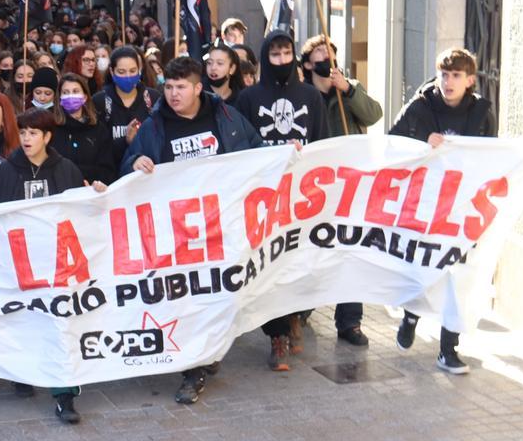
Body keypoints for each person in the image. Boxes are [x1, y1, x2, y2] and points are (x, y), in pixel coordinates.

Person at [121, 56, 263, 403]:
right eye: (168, 87)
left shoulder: (226, 118)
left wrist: (285, 156)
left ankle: (207, 353)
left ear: (199, 88)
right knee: (187, 300)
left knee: (219, 298)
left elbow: (256, 153)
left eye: (181, 87)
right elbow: (125, 171)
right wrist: (134, 161)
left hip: (223, 228)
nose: (172, 94)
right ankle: (195, 369)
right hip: (178, 234)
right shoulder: (155, 127)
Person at [0, 108, 106, 423]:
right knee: (22, 321)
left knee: (60, 326)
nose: (26, 138)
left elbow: (81, 208)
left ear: (47, 137)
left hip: (57, 264)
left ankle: (64, 396)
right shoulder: (5, 172)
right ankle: (23, 371)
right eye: (22, 132)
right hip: (18, 264)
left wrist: (97, 195)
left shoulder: (65, 169)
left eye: (33, 133)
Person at [390, 48, 496, 375]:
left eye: (456, 76)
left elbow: (493, 155)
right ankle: (411, 314)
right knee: (425, 267)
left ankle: (448, 349)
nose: (448, 82)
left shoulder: (481, 113)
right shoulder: (421, 107)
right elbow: (392, 143)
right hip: (425, 206)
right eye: (444, 75)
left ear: (470, 80)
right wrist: (423, 142)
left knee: (459, 277)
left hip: (463, 208)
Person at [234, 30, 329, 372]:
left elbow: (321, 143)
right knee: (268, 264)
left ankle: (296, 317)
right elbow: (241, 146)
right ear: (265, 58)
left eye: (287, 53)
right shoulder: (248, 99)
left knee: (299, 262)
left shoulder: (311, 97)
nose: (281, 60)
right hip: (263, 199)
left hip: (301, 196)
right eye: (274, 55)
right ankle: (277, 334)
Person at [299, 34, 386, 347]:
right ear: (308, 64)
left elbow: (373, 114)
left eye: (331, 54)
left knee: (351, 253)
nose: (327, 59)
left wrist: (347, 91)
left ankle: (350, 322)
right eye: (320, 54)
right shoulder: (303, 97)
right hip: (313, 189)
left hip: (349, 187)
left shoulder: (349, 90)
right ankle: (301, 309)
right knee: (310, 252)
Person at [93, 45, 161, 167]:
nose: (128, 76)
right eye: (121, 72)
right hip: (113, 175)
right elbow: (98, 148)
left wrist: (139, 141)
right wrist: (126, 141)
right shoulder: (100, 102)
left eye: (133, 71)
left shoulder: (152, 98)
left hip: (149, 171)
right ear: (112, 71)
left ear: (140, 70)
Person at [52, 73, 116, 185]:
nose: (70, 96)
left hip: (92, 192)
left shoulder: (98, 129)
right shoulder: (52, 129)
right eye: (65, 92)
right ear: (60, 98)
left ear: (85, 97)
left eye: (75, 91)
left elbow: (108, 169)